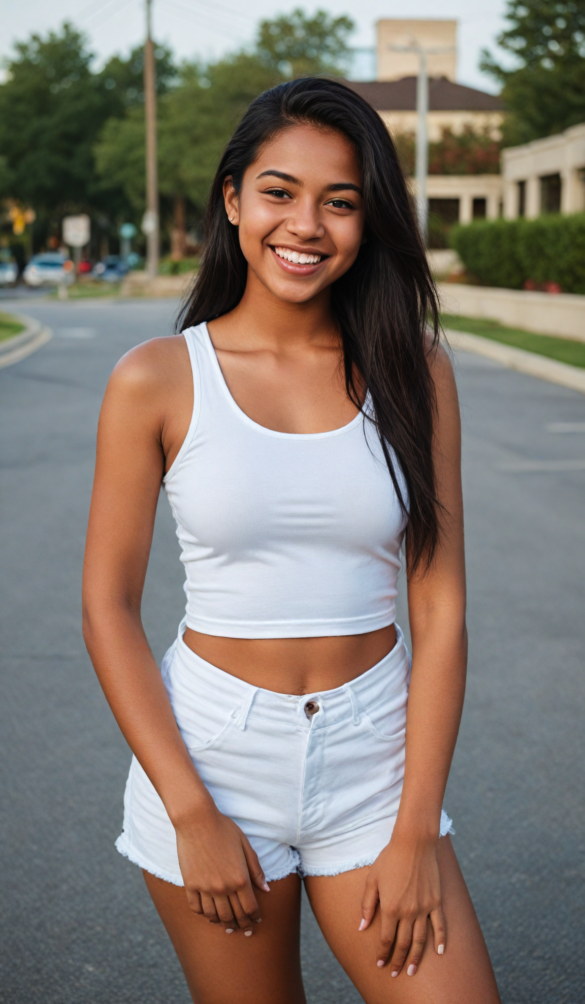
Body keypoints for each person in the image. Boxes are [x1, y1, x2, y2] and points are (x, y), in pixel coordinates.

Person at [83, 77, 501, 1004]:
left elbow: (438, 605)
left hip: (375, 759)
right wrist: (190, 812)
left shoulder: (413, 371)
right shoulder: (156, 377)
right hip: (213, 760)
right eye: (279, 192)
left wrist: (416, 826)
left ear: (368, 219)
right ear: (232, 200)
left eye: (339, 202)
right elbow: (107, 606)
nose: (306, 224)